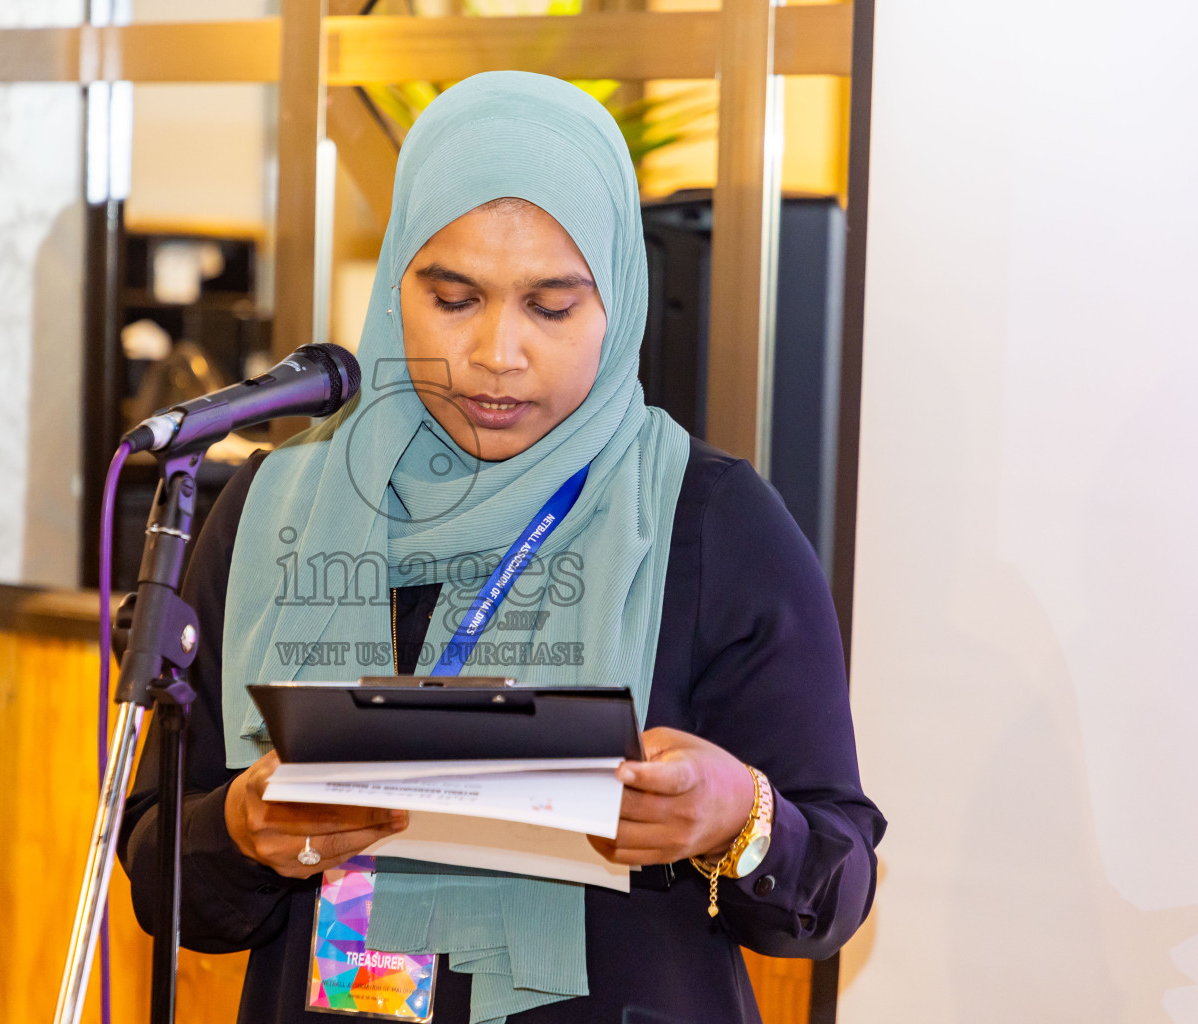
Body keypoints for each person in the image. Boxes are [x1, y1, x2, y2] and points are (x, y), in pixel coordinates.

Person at [119, 70, 884, 1024]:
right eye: (453, 297)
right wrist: (241, 831)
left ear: (620, 301)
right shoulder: (278, 508)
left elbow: (836, 889)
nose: (496, 352)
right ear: (397, 279)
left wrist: (740, 819)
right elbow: (160, 873)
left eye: (551, 308)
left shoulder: (713, 524)